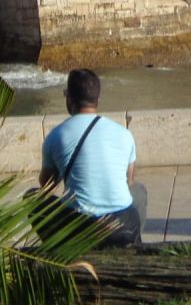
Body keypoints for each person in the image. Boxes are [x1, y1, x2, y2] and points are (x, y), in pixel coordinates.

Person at [36, 68, 147, 247]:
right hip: (122, 226)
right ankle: (132, 244)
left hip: (82, 228)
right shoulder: (124, 134)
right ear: (98, 100)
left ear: (69, 98)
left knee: (33, 197)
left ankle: (60, 250)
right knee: (139, 191)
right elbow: (130, 180)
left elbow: (46, 186)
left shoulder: (56, 136)